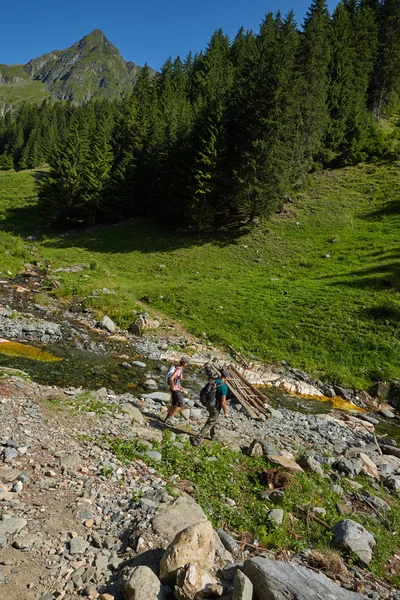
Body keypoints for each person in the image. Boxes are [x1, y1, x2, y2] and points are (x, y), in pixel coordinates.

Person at [192, 369, 230, 446]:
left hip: (207, 403)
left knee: (213, 419)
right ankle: (197, 440)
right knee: (210, 423)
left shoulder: (214, 381)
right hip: (215, 406)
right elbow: (223, 402)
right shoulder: (224, 387)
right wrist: (226, 412)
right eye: (228, 376)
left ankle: (213, 435)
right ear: (226, 377)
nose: (229, 377)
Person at [165, 356, 190, 424]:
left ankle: (168, 416)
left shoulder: (177, 367)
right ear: (184, 363)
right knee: (180, 404)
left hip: (176, 388)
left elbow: (176, 379)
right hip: (175, 389)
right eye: (187, 363)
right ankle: (171, 417)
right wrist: (173, 386)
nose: (187, 364)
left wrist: (180, 386)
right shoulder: (179, 370)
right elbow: (171, 378)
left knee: (174, 402)